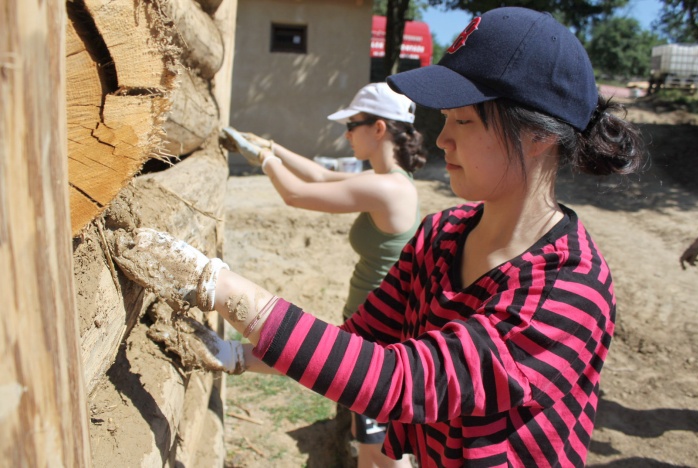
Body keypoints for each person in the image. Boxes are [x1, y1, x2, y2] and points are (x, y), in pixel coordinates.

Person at [111, 7, 645, 467]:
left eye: (463, 121)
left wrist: (223, 288)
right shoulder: (443, 236)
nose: (442, 138)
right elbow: (367, 337)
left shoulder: (571, 291)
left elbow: (400, 382)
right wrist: (240, 357)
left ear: (536, 137)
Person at [220, 82, 425, 467]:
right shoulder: (385, 181)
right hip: (369, 325)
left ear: (378, 128)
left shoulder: (389, 189)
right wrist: (272, 147)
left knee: (379, 456)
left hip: (378, 340)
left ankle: (232, 355)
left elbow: (297, 193)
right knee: (370, 445)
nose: (347, 134)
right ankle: (234, 356)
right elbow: (318, 175)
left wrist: (264, 159)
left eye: (353, 124)